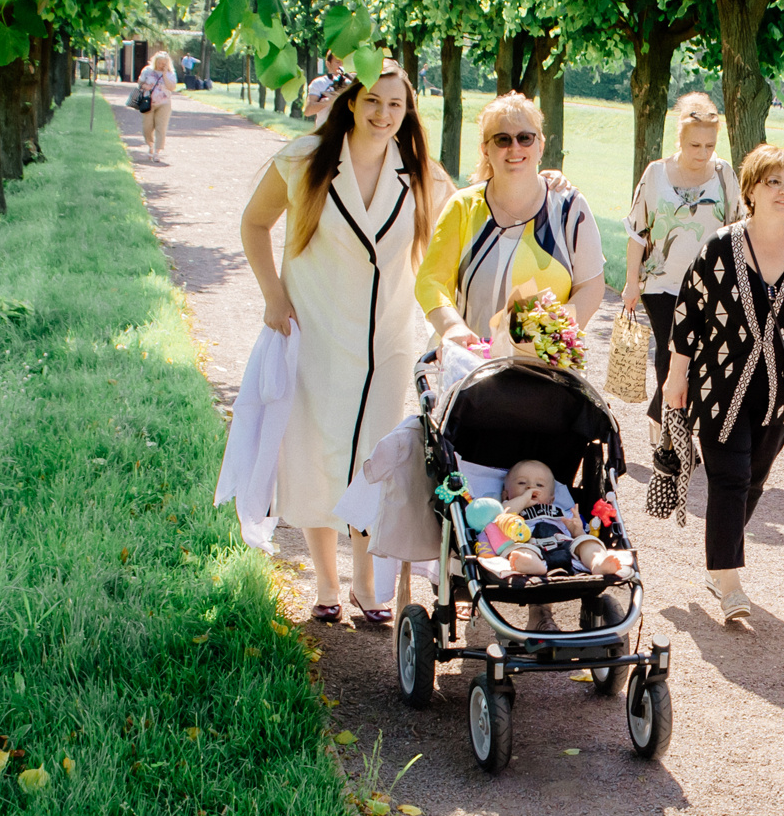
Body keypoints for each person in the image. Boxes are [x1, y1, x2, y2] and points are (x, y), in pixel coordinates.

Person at [239, 58, 443, 625]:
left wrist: (544, 181)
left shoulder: (420, 172)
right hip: (319, 327)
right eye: (373, 101)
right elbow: (254, 224)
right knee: (317, 450)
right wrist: (273, 295)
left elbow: (466, 217)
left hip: (387, 342)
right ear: (351, 102)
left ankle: (367, 584)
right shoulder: (304, 160)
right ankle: (327, 585)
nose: (383, 113)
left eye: (395, 104)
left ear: (407, 112)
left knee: (373, 457)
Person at [663, 144, 784, 627]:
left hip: (781, 391)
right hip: (719, 384)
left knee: (754, 479)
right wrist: (676, 376)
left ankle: (720, 552)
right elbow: (689, 313)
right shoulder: (720, 246)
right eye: (773, 183)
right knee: (730, 477)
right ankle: (729, 579)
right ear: (751, 190)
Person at [417, 92, 605, 350]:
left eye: (525, 138)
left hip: (544, 371)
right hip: (471, 367)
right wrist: (452, 327)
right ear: (485, 149)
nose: (514, 147)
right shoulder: (463, 207)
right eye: (502, 139)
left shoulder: (570, 208)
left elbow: (591, 286)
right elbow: (431, 281)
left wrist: (551, 338)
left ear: (540, 146)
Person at [622, 93, 741, 421]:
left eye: (710, 145)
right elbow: (637, 231)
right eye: (694, 145)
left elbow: (739, 230)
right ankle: (669, 437)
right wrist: (631, 283)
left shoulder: (724, 175)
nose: (703, 153)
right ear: (680, 140)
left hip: (711, 286)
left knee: (700, 358)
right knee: (671, 352)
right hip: (662, 282)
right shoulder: (656, 174)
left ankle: (667, 420)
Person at [475, 460, 631, 580]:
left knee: (586, 541)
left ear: (551, 499)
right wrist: (523, 499)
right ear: (505, 495)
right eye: (522, 483)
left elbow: (577, 533)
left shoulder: (560, 510)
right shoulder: (508, 507)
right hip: (528, 543)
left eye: (539, 485)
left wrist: (576, 529)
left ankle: (597, 562)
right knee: (518, 550)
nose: (530, 487)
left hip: (563, 543)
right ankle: (531, 565)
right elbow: (502, 515)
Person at [138, 50, 177, 162]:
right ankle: (150, 146)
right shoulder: (147, 70)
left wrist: (164, 74)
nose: (161, 65)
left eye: (164, 63)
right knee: (147, 127)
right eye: (160, 62)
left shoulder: (171, 73)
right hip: (148, 102)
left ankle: (157, 152)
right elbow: (140, 83)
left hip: (164, 104)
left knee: (161, 128)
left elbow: (172, 87)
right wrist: (146, 86)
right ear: (155, 61)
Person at [304, 53, 349, 120]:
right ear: (328, 64)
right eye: (337, 62)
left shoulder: (350, 83)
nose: (341, 66)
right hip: (324, 128)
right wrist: (328, 101)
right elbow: (308, 111)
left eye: (343, 62)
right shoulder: (319, 83)